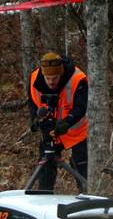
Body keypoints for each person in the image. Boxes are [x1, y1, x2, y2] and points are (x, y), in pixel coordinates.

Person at [28, 52, 88, 192]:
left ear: (61, 74)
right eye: (47, 78)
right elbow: (32, 105)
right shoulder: (34, 80)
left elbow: (81, 107)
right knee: (46, 166)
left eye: (54, 78)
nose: (51, 82)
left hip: (76, 130)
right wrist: (37, 121)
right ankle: (45, 194)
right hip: (50, 132)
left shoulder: (77, 79)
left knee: (81, 164)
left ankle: (86, 192)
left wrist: (67, 122)